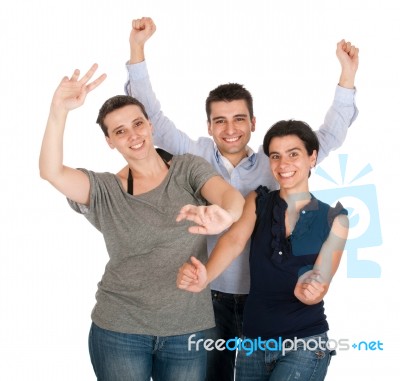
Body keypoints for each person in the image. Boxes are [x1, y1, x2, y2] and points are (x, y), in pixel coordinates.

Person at [124, 17, 359, 381]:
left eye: (238, 119)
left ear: (253, 122)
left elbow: (327, 136)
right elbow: (153, 118)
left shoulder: (276, 162)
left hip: (263, 302)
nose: (230, 129)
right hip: (210, 297)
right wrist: (137, 51)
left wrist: (346, 78)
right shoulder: (195, 156)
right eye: (220, 121)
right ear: (208, 126)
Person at [39, 64, 245, 381]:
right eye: (120, 131)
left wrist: (226, 215)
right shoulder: (104, 190)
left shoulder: (187, 169)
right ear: (110, 141)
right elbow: (51, 172)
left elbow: (231, 197)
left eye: (138, 124)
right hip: (119, 330)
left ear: (150, 125)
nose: (133, 135)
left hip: (187, 331)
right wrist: (58, 110)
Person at [177, 119, 349, 380]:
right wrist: (205, 276)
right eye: (276, 156)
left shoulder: (335, 219)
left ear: (312, 158)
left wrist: (311, 290)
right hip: (252, 344)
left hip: (304, 342)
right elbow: (234, 240)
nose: (283, 164)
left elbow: (323, 276)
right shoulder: (258, 200)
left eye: (294, 154)